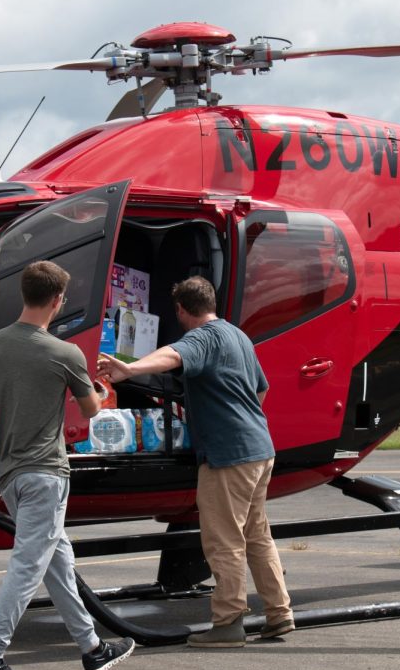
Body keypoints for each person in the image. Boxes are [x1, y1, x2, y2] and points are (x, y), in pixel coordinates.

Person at [0, 260, 135, 670]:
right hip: (46, 474)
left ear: (26, 295)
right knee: (28, 566)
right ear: (57, 301)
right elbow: (92, 410)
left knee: (57, 561)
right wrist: (98, 387)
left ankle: (92, 648)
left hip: (10, 475)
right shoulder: (65, 353)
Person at [98, 275, 293, 648]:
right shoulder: (238, 336)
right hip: (259, 449)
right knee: (257, 536)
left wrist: (130, 369)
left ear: (182, 310)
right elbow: (262, 388)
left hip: (228, 455)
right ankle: (278, 612)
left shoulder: (201, 338)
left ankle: (229, 622)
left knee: (224, 540)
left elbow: (173, 355)